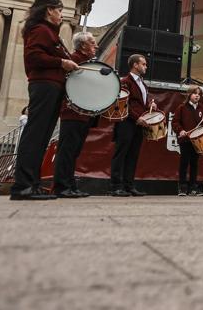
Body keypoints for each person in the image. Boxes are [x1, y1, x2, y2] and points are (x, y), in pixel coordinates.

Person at [10, 0, 79, 201]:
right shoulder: (41, 30)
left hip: (52, 86)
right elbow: (33, 57)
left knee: (41, 138)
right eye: (59, 11)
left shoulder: (49, 32)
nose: (60, 15)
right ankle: (22, 186)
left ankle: (32, 184)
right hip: (45, 85)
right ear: (49, 10)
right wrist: (62, 63)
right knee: (35, 136)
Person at [53, 31, 99, 198]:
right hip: (72, 112)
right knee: (67, 151)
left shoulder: (86, 62)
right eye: (93, 43)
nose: (96, 46)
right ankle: (61, 186)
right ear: (83, 45)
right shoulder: (74, 60)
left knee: (73, 151)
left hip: (83, 113)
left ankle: (70, 185)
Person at [110, 54, 156, 197]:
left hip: (138, 124)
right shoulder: (125, 81)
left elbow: (141, 103)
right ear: (135, 65)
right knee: (121, 154)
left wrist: (150, 105)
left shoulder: (143, 83)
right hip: (126, 123)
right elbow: (124, 104)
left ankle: (129, 186)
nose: (146, 67)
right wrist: (137, 118)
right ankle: (115, 186)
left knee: (133, 155)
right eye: (144, 64)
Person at [171, 85, 203, 196]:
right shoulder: (182, 107)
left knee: (194, 164)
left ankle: (193, 188)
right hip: (185, 140)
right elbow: (175, 122)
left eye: (199, 94)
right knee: (184, 163)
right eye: (195, 93)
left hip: (197, 141)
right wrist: (180, 130)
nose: (197, 95)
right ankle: (182, 188)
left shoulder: (202, 109)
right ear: (189, 95)